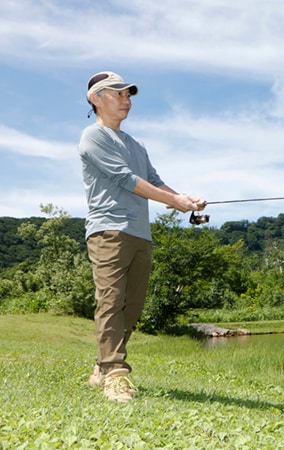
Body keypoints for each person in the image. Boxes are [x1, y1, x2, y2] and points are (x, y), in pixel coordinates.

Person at [78, 71, 206, 402]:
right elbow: (125, 179)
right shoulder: (93, 137)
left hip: (140, 234)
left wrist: (185, 200)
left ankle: (101, 366)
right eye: (118, 94)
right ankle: (115, 375)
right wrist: (173, 201)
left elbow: (154, 181)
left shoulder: (137, 144)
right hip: (108, 230)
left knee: (131, 307)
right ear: (96, 98)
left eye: (128, 95)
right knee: (110, 301)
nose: (126, 100)